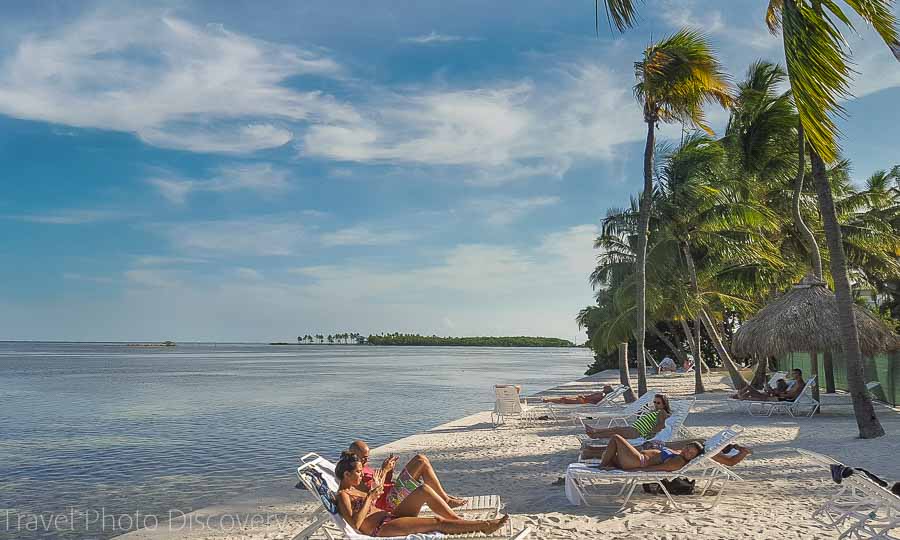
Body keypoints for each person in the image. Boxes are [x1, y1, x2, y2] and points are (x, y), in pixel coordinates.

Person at [334, 451, 508, 537]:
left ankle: (459, 522)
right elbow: (356, 524)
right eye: (358, 472)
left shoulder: (356, 488)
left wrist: (376, 491)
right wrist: (370, 497)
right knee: (437, 522)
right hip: (382, 528)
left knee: (424, 489)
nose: (362, 473)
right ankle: (484, 525)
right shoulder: (343, 495)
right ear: (347, 475)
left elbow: (373, 502)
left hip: (390, 516)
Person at [347, 440, 467, 512]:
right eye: (364, 457)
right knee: (421, 461)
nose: (366, 460)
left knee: (421, 459)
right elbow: (374, 493)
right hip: (390, 502)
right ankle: (445, 500)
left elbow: (385, 483)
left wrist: (389, 471)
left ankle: (444, 498)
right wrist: (384, 470)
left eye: (367, 457)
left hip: (392, 493)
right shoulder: (353, 472)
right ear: (353, 454)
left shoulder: (363, 466)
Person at [582, 437, 752, 466]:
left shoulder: (708, 453)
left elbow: (730, 462)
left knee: (617, 446)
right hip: (652, 454)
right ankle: (591, 453)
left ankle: (593, 456)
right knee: (616, 452)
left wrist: (743, 452)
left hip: (644, 461)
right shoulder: (700, 446)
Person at [583, 393, 671, 441]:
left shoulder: (662, 412)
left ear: (664, 404)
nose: (655, 404)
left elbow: (660, 425)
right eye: (654, 402)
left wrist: (649, 435)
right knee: (616, 429)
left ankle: (595, 434)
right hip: (633, 428)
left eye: (658, 403)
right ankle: (595, 432)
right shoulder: (655, 411)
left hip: (637, 432)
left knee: (615, 432)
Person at [596, 434, 704, 471]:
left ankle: (601, 466)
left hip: (638, 461)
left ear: (692, 458)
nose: (687, 452)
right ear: (685, 446)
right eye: (688, 448)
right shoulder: (679, 453)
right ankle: (608, 464)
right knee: (606, 454)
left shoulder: (679, 461)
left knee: (616, 438)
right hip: (635, 459)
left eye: (691, 454)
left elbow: (657, 468)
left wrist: (634, 471)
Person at [733, 368, 805, 401]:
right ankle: (741, 395)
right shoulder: (795, 382)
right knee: (751, 389)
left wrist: (777, 394)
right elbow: (788, 392)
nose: (792, 375)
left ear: (798, 374)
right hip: (780, 396)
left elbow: (791, 396)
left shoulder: (800, 384)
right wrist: (775, 392)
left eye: (793, 374)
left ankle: (742, 397)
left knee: (762, 397)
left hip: (782, 398)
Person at [541, 384, 615, 405]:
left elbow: (591, 398)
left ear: (607, 389)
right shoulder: (602, 394)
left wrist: (583, 397)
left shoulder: (601, 394)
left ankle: (547, 400)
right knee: (564, 399)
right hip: (584, 400)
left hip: (583, 401)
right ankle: (547, 400)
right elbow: (591, 398)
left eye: (606, 387)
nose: (604, 386)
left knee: (564, 400)